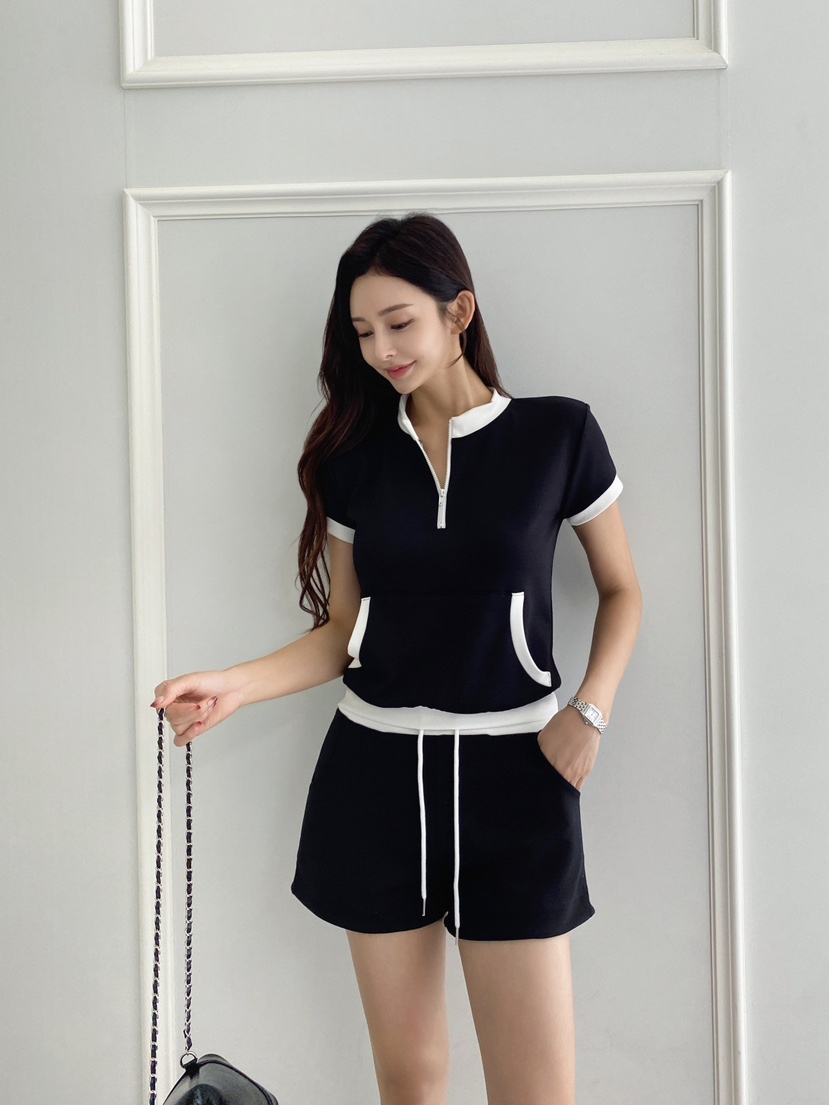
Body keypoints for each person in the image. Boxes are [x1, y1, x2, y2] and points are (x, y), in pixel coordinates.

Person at [150, 212, 643, 1105]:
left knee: (536, 1092)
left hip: (518, 778)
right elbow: (342, 632)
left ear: (459, 313)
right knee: (409, 1082)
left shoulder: (557, 434)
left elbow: (621, 590)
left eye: (399, 322)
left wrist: (590, 711)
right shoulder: (357, 460)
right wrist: (234, 686)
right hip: (373, 780)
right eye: (362, 330)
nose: (380, 349)